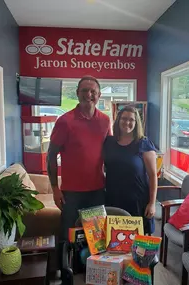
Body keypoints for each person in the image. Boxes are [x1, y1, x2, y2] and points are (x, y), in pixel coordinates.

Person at [47, 76, 111, 265]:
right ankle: (64, 274)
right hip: (71, 194)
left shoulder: (105, 121)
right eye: (84, 91)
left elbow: (109, 153)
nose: (88, 95)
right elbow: (51, 155)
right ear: (77, 93)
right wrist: (54, 188)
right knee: (68, 236)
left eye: (93, 91)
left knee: (96, 239)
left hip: (97, 191)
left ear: (99, 95)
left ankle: (92, 272)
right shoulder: (65, 121)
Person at [103, 106, 157, 234]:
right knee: (115, 238)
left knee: (137, 242)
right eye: (124, 119)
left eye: (131, 120)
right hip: (113, 198)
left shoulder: (143, 143)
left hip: (137, 201)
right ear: (118, 120)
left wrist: (152, 203)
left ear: (136, 122)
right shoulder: (109, 142)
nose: (127, 122)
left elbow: (153, 176)